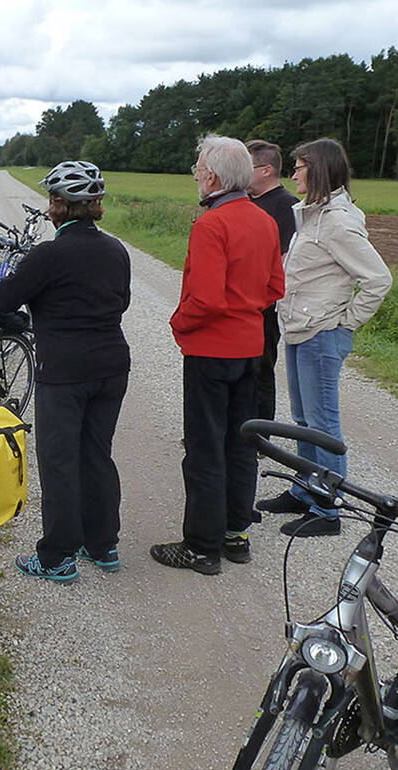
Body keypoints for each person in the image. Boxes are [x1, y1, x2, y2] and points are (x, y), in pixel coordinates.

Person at [150, 135, 284, 574]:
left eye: (198, 168)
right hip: (251, 347)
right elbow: (274, 288)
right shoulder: (264, 220)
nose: (195, 175)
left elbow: (204, 300)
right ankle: (235, 534)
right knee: (241, 444)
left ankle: (202, 547)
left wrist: (178, 324)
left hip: (211, 351)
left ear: (212, 175)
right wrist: (245, 309)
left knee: (205, 448)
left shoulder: (211, 224)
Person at [0, 161, 131, 583]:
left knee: (58, 461)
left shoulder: (48, 254)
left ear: (57, 205)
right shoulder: (116, 250)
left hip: (64, 370)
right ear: (94, 205)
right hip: (111, 366)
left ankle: (56, 556)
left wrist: (24, 316)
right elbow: (121, 302)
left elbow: (5, 298)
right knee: (96, 455)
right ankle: (103, 544)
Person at [256, 138, 392, 537]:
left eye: (300, 167)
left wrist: (346, 322)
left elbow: (378, 279)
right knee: (303, 420)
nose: (294, 173)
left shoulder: (338, 222)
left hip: (322, 333)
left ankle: (328, 510)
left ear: (318, 169)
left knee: (323, 422)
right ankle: (304, 490)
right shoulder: (310, 216)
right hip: (300, 329)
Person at [246, 139, 299, 421]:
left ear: (266, 170)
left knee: (262, 367)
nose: (243, 173)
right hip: (242, 301)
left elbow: (286, 259)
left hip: (266, 304)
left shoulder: (287, 206)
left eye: (248, 166)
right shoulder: (245, 200)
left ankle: (260, 432)